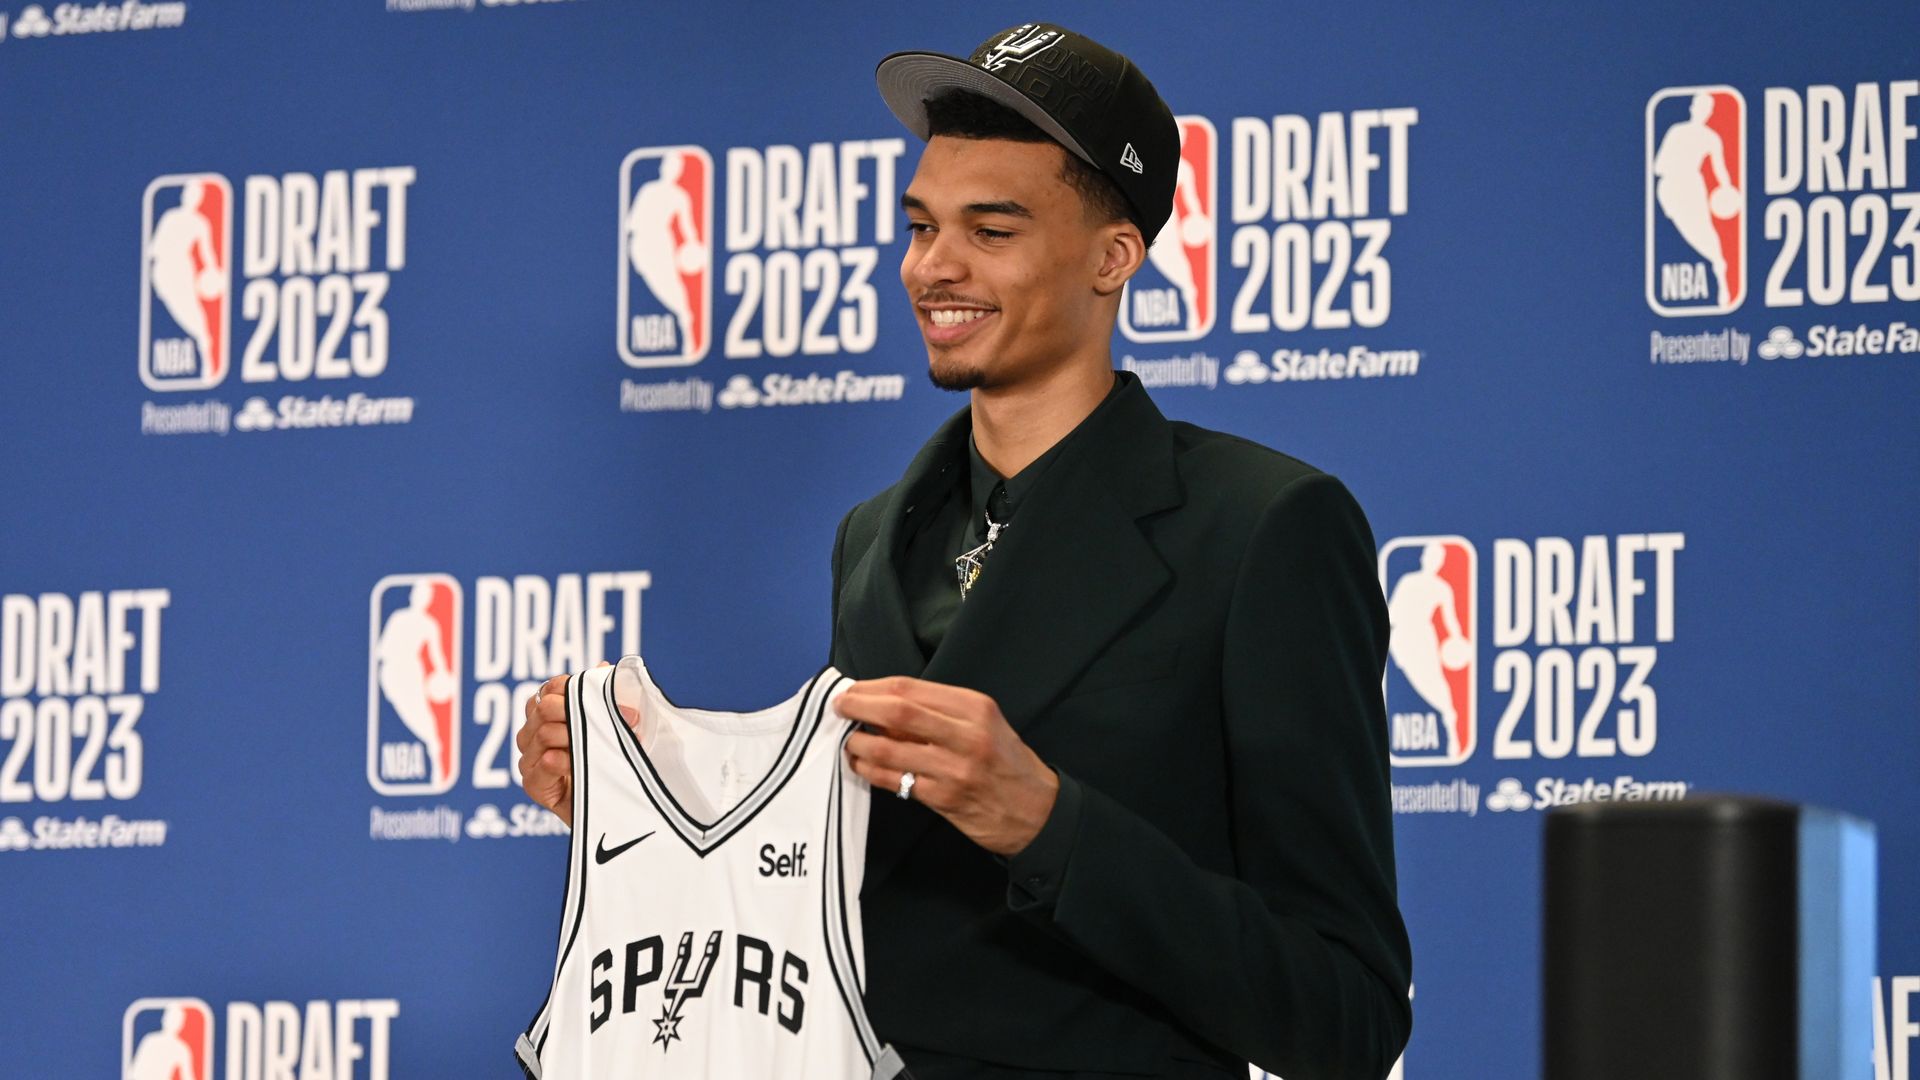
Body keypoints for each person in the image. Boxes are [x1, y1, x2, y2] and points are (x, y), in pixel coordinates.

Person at [519, 22, 1411, 1080]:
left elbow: (1346, 1013)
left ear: (1114, 256)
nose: (932, 268)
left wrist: (1050, 826)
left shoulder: (1266, 524)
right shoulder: (871, 538)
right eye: (920, 226)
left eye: (991, 231)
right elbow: (842, 925)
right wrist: (650, 808)